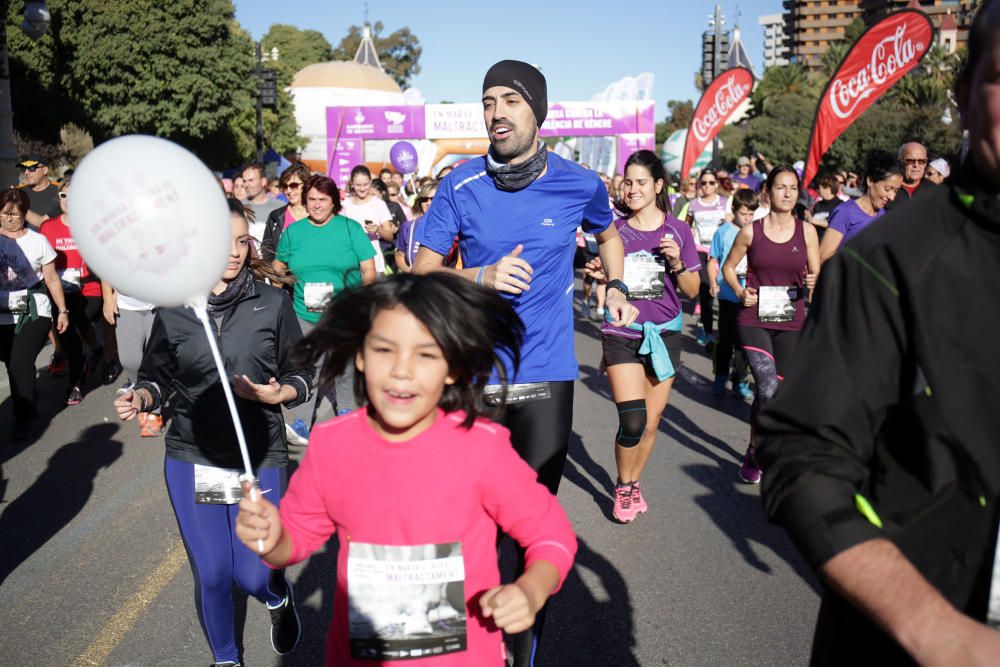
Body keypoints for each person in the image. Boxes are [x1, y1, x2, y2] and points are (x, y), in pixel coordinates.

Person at [756, 4, 1000, 662]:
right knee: (758, 386)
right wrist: (938, 631)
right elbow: (802, 457)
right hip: (904, 643)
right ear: (964, 96)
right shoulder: (887, 254)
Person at [412, 59, 636, 665]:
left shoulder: (579, 184)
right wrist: (478, 275)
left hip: (545, 375)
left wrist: (615, 283)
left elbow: (608, 233)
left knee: (525, 530)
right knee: (465, 525)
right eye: (488, 102)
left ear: (537, 109)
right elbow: (420, 274)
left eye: (510, 100)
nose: (496, 113)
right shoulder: (460, 184)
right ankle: (462, 647)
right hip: (474, 376)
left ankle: (521, 654)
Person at [235, 272, 577, 666]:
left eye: (426, 354)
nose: (402, 370)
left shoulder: (482, 446)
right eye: (384, 350)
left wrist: (532, 588)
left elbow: (550, 534)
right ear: (361, 356)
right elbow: (294, 540)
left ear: (452, 368)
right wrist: (271, 537)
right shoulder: (332, 444)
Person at [114, 198, 309, 667]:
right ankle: (226, 659)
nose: (235, 252)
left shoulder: (272, 302)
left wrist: (280, 394)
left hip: (257, 455)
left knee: (253, 576)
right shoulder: (176, 310)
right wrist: (141, 398)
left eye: (242, 241)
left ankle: (277, 597)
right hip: (193, 452)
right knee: (216, 573)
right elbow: (157, 376)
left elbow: (301, 371)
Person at [588, 150, 700, 523]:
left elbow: (693, 289)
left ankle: (632, 481)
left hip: (664, 335)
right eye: (628, 181)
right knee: (633, 420)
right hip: (622, 332)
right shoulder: (614, 230)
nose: (631, 189)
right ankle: (623, 487)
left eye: (640, 182)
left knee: (651, 424)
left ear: (658, 186)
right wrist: (600, 272)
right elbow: (604, 269)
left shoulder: (678, 231)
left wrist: (678, 263)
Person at [722, 166, 819, 485]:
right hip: (755, 318)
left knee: (774, 396)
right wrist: (739, 291)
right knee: (767, 387)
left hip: (791, 319)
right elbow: (729, 267)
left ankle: (754, 448)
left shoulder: (807, 232)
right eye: (781, 187)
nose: (788, 193)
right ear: (768, 192)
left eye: (793, 188)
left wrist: (812, 280)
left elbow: (814, 277)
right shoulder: (751, 231)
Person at [273, 175, 377, 444]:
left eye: (323, 200)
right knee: (307, 367)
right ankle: (299, 422)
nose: (317, 205)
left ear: (334, 202)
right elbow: (278, 268)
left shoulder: (350, 228)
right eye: (311, 200)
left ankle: (348, 416)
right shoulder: (293, 232)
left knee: (345, 367)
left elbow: (368, 270)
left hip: (344, 313)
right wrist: (282, 288)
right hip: (304, 313)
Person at [0, 188, 70, 438]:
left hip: (33, 307)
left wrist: (62, 311)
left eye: (16, 214)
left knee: (19, 360)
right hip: (3, 310)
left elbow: (51, 279)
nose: (11, 219)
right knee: (11, 363)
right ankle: (27, 395)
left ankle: (23, 416)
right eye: (6, 213)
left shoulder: (37, 241)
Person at [39, 176, 106, 405]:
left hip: (89, 287)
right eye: (63, 195)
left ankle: (77, 379)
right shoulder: (48, 227)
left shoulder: (91, 226)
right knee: (68, 332)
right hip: (60, 291)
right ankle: (89, 360)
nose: (68, 200)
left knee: (75, 323)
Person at [708, 189, 755, 400]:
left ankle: (740, 381)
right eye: (744, 213)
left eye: (751, 214)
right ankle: (719, 377)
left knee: (745, 344)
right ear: (734, 209)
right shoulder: (723, 232)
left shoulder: (756, 231)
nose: (748, 218)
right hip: (728, 295)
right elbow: (712, 260)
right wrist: (712, 282)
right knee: (726, 340)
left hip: (750, 296)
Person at [102, 278, 163, 437]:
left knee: (154, 360)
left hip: (159, 304)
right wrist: (107, 297)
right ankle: (139, 391)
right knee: (130, 360)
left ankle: (152, 411)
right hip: (126, 304)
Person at [819, 151, 903, 264]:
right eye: (887, 189)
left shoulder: (883, 216)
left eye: (896, 191)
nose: (892, 197)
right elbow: (823, 257)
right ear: (870, 181)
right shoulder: (845, 212)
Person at [686, 168, 732, 347]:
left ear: (716, 184)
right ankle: (707, 331)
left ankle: (724, 331)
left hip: (721, 253)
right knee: (706, 291)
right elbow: (687, 225)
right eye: (703, 183)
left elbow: (731, 223)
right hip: (701, 251)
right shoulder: (693, 204)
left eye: (711, 182)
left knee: (724, 292)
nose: (707, 186)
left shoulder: (725, 202)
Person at [341, 165, 395, 275]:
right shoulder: (344, 205)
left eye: (365, 184)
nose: (362, 188)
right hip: (351, 263)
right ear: (351, 183)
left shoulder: (379, 204)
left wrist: (378, 229)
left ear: (370, 182)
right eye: (358, 185)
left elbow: (390, 236)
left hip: (375, 262)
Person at [261, 163, 310, 263]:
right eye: (284, 186)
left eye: (293, 185)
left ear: (305, 185)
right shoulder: (275, 216)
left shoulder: (317, 214)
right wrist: (275, 273)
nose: (288, 191)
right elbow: (267, 249)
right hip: (282, 277)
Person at [394, 181, 437, 273]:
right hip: (414, 279)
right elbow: (399, 255)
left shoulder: (450, 227)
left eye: (433, 199)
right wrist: (410, 273)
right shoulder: (408, 226)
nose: (428, 203)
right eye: (424, 199)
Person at [16, 155, 61, 230]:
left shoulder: (61, 191)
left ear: (45, 170)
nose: (26, 172)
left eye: (31, 168)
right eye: (24, 169)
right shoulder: (17, 193)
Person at [241, 163, 284, 243]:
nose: (246, 184)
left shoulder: (280, 207)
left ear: (263, 181)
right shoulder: (239, 207)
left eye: (251, 180)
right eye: (244, 181)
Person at [886, 141, 935, 208]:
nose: (916, 165)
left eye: (921, 161)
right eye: (910, 161)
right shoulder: (887, 188)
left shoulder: (933, 190)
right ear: (900, 162)